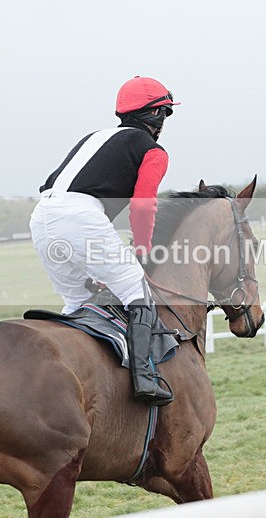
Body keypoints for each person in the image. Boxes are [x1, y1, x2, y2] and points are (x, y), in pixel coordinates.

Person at [29, 76, 179, 406]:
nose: (165, 122)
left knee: (76, 301)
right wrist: (142, 248)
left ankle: (77, 377)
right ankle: (145, 379)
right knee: (137, 289)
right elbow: (143, 204)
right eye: (166, 114)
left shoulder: (94, 137)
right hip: (80, 216)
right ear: (154, 115)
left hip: (42, 216)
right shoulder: (153, 151)